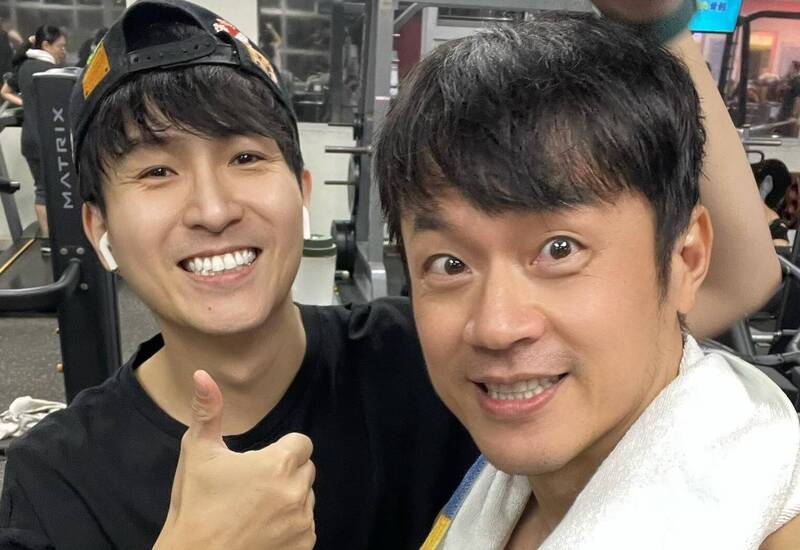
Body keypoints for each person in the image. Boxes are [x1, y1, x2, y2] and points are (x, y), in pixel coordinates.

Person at [0, 0, 783, 549]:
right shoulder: (56, 481)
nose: (211, 208)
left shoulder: (431, 357)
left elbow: (730, 279)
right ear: (98, 227)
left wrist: (664, 29)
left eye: (244, 157)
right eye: (157, 171)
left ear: (302, 192)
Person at [372, 4, 800, 549]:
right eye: (449, 264)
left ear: (687, 259)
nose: (496, 327)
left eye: (559, 250)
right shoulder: (504, 492)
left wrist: (665, 25)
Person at [4, 25, 66, 247]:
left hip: (29, 140)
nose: (63, 51)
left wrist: (27, 103)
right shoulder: (50, 71)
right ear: (46, 45)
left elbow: (4, 92)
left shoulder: (25, 67)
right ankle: (53, 240)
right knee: (52, 191)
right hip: (46, 141)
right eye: (60, 46)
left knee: (42, 190)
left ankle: (50, 240)